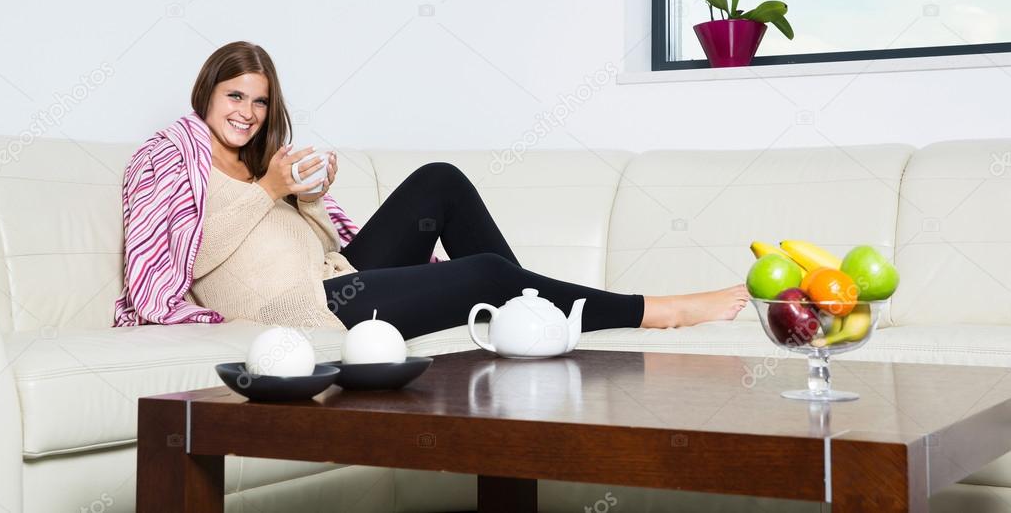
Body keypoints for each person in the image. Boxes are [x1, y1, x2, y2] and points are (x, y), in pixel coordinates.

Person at [113, 41, 748, 337]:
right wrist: (269, 192)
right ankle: (651, 311)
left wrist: (306, 195)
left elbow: (315, 241)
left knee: (439, 181)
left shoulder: (260, 164)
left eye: (259, 100)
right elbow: (179, 268)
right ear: (207, 94)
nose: (247, 112)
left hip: (335, 275)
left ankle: (528, 318)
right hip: (300, 307)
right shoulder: (170, 158)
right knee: (485, 276)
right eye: (234, 97)